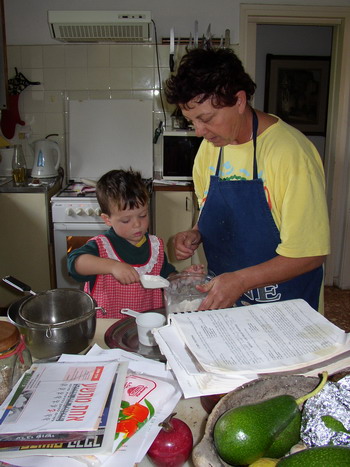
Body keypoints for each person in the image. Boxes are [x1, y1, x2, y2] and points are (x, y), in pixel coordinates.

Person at [164, 47, 330, 313]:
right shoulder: (210, 149)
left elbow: (311, 252)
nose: (198, 132)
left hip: (288, 309)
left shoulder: (290, 154)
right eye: (191, 121)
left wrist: (240, 280)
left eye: (206, 119)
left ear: (239, 101)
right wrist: (195, 233)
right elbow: (210, 211)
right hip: (230, 305)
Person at [68, 169, 203, 319]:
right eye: (126, 220)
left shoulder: (155, 247)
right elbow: (75, 263)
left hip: (148, 323)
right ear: (107, 220)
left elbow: (166, 279)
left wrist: (184, 278)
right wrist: (113, 266)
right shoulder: (102, 246)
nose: (137, 224)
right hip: (107, 325)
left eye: (143, 215)